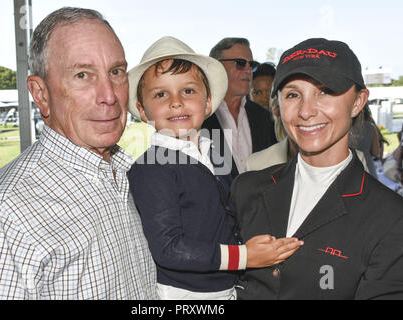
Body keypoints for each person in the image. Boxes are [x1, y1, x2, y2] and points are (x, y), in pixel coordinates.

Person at [0, 7, 157, 300]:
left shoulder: (125, 174)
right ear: (41, 94)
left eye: (116, 72)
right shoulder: (1, 212)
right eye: (83, 75)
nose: (109, 95)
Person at [127, 36, 303, 300]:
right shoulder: (151, 167)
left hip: (229, 284)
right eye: (161, 94)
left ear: (208, 102)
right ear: (143, 110)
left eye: (188, 91)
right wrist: (245, 256)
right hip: (186, 294)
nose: (176, 101)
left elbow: (234, 205)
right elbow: (169, 248)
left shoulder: (215, 147)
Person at [232, 38, 403, 299]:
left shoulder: (389, 217)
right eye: (292, 94)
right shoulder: (246, 189)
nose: (306, 111)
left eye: (325, 92)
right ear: (278, 106)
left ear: (358, 103)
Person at [202, 38, 277, 178]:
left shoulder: (264, 117)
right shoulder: (198, 118)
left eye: (252, 65)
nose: (249, 70)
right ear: (216, 67)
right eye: (240, 63)